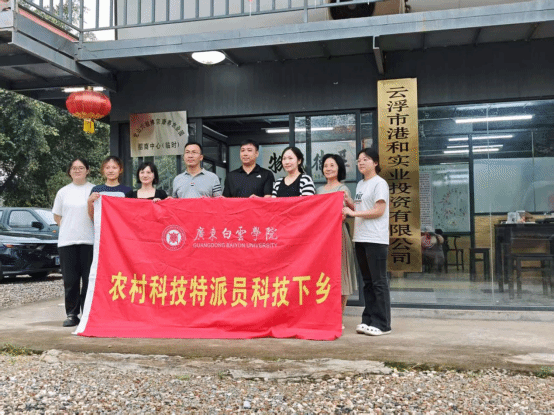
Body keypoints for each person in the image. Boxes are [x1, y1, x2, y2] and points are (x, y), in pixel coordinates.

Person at [342, 148, 391, 336]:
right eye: (359, 160)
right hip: (360, 238)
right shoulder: (361, 184)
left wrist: (352, 213)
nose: (361, 162)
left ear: (375, 163)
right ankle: (368, 319)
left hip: (375, 239)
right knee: (368, 282)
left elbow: (379, 210)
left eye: (366, 159)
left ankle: (383, 324)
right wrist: (350, 202)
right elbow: (362, 209)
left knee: (379, 282)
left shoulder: (380, 183)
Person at [52, 158, 95, 327]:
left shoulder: (94, 190)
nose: (77, 170)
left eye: (81, 167)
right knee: (70, 280)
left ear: (87, 170)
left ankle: (88, 313)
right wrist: (69, 228)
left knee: (89, 280)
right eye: (74, 168)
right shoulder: (63, 192)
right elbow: (57, 216)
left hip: (89, 241)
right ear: (69, 171)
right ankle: (72, 314)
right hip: (67, 242)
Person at [316, 154, 357, 329]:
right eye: (326, 165)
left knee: (341, 274)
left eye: (332, 165)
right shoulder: (318, 190)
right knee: (323, 276)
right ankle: (325, 315)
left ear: (339, 168)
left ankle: (338, 317)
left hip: (338, 235)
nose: (328, 169)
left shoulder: (343, 189)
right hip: (321, 238)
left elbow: (348, 212)